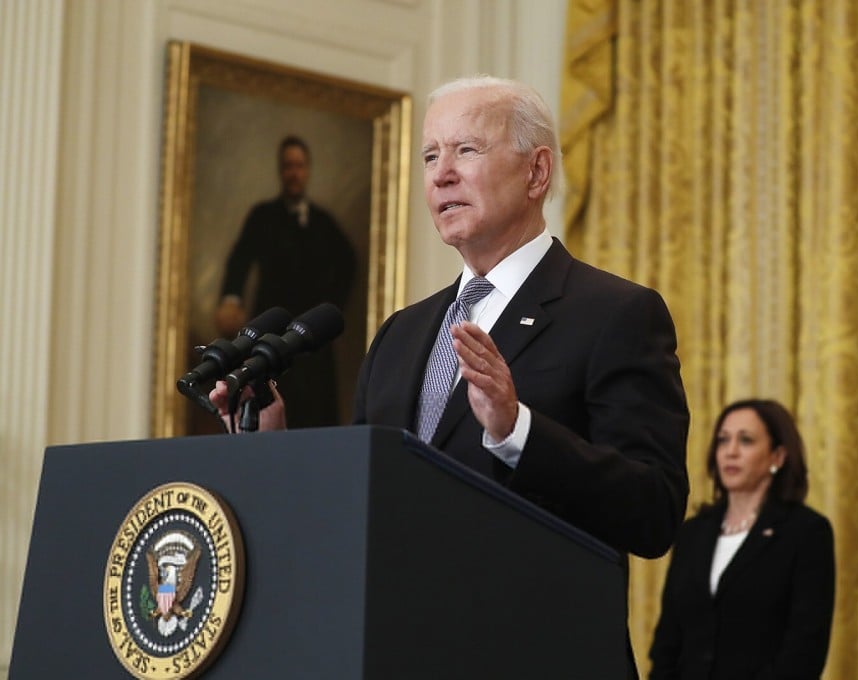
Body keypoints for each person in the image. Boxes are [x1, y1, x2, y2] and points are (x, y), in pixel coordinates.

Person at [212, 76, 690, 674]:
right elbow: (364, 513)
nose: (441, 175)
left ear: (537, 173)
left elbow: (654, 513)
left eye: (466, 150)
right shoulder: (400, 334)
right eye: (431, 156)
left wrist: (518, 430)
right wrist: (272, 451)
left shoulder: (614, 314)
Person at [648, 399, 836, 680]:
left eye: (745, 441)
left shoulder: (806, 533)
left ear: (778, 457)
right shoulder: (692, 533)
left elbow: (805, 650)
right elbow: (668, 642)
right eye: (723, 441)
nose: (730, 452)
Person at [215, 135, 357, 429]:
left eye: (299, 166)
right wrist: (231, 299)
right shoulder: (263, 216)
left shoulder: (322, 222)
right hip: (271, 334)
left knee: (314, 418)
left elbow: (349, 264)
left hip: (312, 343)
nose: (294, 173)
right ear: (281, 171)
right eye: (288, 166)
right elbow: (239, 260)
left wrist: (330, 308)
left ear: (307, 171)